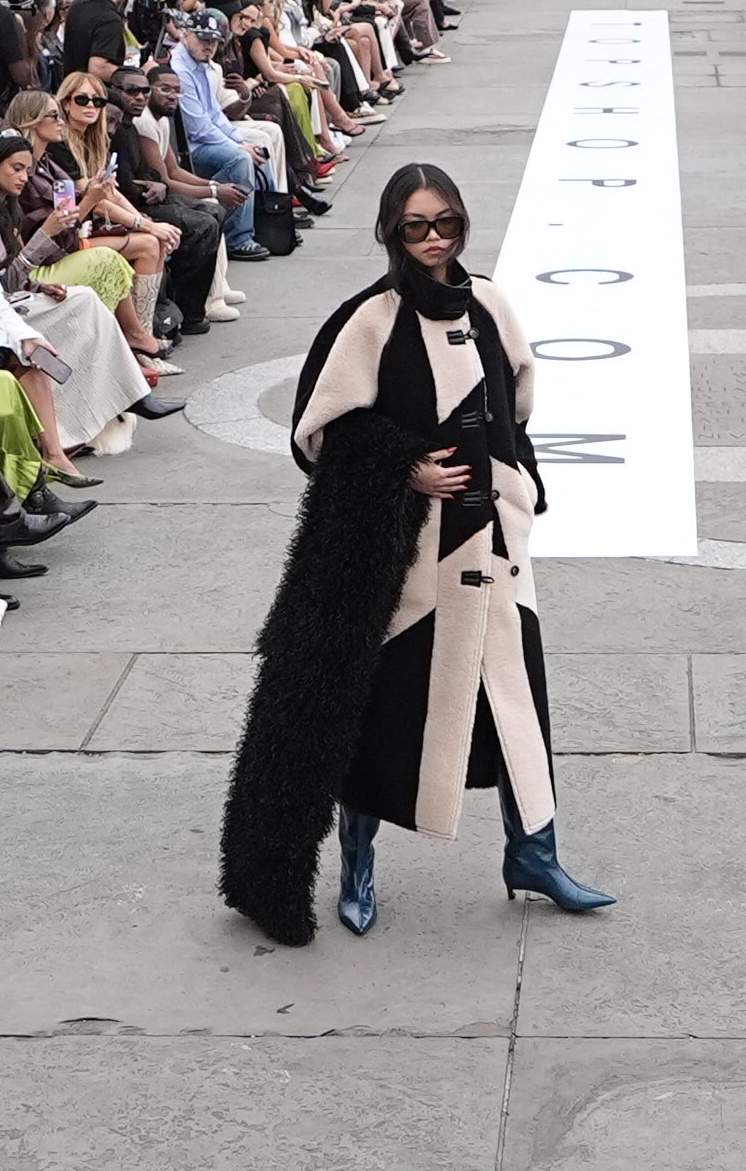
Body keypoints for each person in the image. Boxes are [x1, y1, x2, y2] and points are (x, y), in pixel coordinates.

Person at [221, 162, 606, 944]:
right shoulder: (369, 320)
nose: (433, 240)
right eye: (416, 228)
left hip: (497, 544)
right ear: (391, 233)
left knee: (517, 702)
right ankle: (358, 863)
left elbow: (519, 402)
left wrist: (518, 488)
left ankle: (535, 854)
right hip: (412, 560)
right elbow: (321, 430)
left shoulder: (491, 302)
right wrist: (405, 464)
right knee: (381, 710)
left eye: (446, 224)